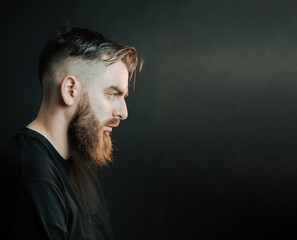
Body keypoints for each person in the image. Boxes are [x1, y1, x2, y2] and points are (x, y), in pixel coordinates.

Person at [0, 25, 143, 240]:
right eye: (113, 94)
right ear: (70, 91)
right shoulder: (31, 174)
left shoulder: (80, 166)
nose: (123, 113)